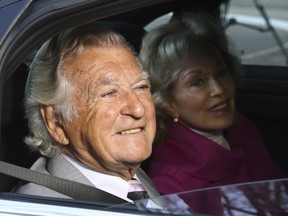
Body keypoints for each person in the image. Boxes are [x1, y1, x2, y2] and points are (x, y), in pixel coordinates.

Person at [13, 22, 160, 206]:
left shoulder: (128, 174)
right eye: (109, 93)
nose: (138, 109)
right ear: (55, 122)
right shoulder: (38, 208)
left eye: (141, 87)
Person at [139, 13, 285, 195]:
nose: (218, 89)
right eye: (197, 82)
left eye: (221, 72)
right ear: (168, 103)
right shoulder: (172, 184)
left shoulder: (243, 128)